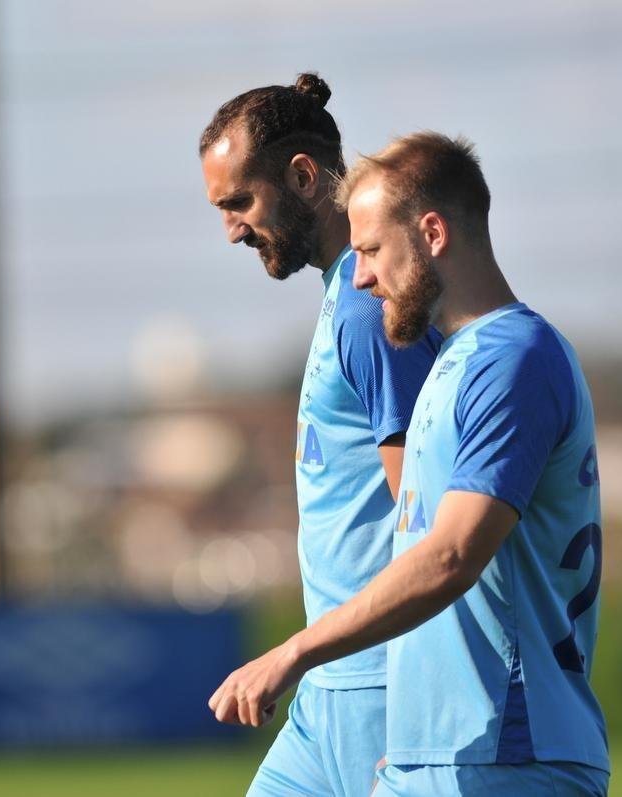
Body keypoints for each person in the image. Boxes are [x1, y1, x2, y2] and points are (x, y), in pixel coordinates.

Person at [208, 132, 610, 796]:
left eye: (369, 251)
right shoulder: (457, 359)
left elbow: (451, 555)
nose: (360, 276)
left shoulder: (514, 358)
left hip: (508, 748)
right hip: (437, 753)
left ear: (431, 233)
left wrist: (296, 651)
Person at [199, 75, 441, 797]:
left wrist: (304, 653)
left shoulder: (369, 311)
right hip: (328, 698)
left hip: (383, 689)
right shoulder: (344, 296)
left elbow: (425, 521)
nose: (232, 229)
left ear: (303, 177)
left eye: (239, 202)